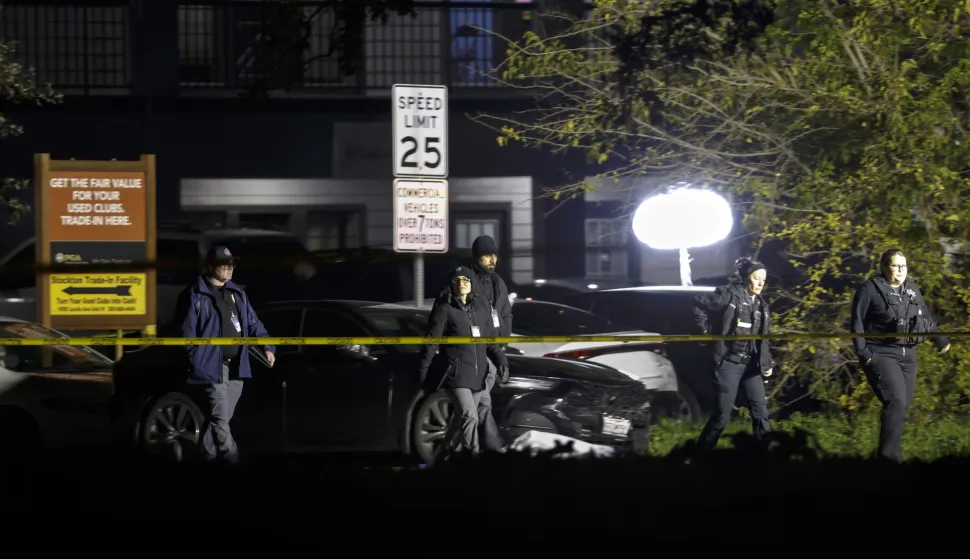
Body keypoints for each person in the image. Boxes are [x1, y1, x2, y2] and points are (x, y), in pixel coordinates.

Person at [175, 245, 276, 464]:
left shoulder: (237, 293)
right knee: (221, 419)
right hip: (213, 365)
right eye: (224, 264)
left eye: (232, 264)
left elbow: (254, 323)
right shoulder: (195, 295)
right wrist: (199, 360)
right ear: (211, 266)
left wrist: (268, 346)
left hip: (237, 365)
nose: (229, 268)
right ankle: (233, 459)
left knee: (219, 420)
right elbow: (185, 335)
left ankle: (207, 458)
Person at [850, 248, 950, 463]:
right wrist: (865, 354)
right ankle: (888, 461)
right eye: (896, 266)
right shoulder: (869, 289)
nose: (901, 270)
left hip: (908, 356)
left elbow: (925, 316)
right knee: (895, 400)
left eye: (904, 266)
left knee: (902, 405)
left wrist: (940, 339)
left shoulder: (911, 288)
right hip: (881, 354)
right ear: (884, 267)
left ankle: (890, 457)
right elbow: (856, 323)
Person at [418, 266, 509, 456]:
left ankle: (444, 453)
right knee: (470, 416)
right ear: (451, 284)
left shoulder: (480, 310)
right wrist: (423, 370)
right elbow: (432, 341)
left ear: (471, 283)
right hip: (456, 374)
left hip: (477, 374)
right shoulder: (445, 308)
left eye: (465, 280)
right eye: (457, 280)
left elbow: (490, 341)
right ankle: (471, 458)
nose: (461, 283)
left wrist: (502, 361)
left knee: (461, 419)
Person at [692, 257, 775, 454]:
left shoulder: (761, 305)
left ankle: (768, 457)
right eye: (756, 278)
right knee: (721, 417)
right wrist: (705, 332)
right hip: (728, 364)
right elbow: (698, 304)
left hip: (751, 366)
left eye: (763, 279)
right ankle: (698, 456)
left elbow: (762, 338)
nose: (761, 283)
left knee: (761, 413)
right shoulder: (728, 294)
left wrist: (766, 362)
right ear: (747, 277)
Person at [468, 235, 513, 451]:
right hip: (474, 354)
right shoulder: (465, 281)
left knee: (479, 406)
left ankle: (471, 450)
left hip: (492, 352)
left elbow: (505, 314)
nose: (492, 259)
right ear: (476, 257)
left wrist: (503, 340)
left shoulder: (497, 282)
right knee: (479, 405)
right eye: (487, 255)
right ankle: (488, 450)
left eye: (494, 255)